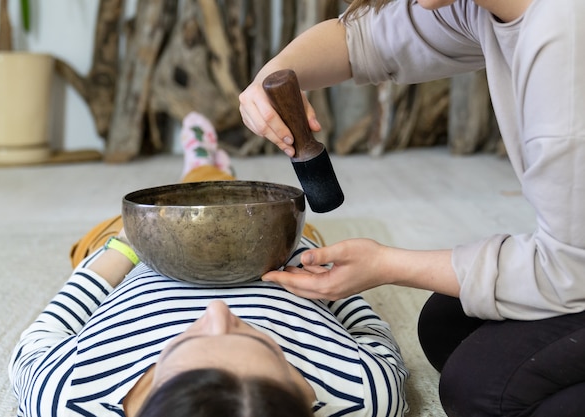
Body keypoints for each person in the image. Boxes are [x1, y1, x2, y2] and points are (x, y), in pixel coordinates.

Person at [238, 1, 585, 416]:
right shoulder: (489, 8)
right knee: (447, 325)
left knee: (485, 388)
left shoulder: (566, 42)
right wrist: (269, 79)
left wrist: (387, 265)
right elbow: (360, 40)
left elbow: (570, 270)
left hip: (575, 268)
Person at [8, 112, 408, 417]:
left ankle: (203, 161)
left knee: (106, 233)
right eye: (260, 342)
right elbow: (367, 328)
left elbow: (51, 327)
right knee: (255, 205)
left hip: (140, 256)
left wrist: (128, 246)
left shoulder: (67, 394)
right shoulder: (363, 392)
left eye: (183, 343)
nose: (218, 310)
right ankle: (211, 165)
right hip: (280, 253)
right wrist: (298, 251)